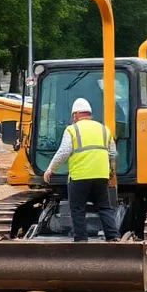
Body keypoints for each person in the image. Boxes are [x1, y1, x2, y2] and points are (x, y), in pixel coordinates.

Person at [43, 98, 120, 243]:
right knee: (104, 207)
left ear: (75, 115)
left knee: (77, 209)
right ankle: (113, 236)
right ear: (90, 114)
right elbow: (113, 153)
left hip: (79, 177)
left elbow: (64, 152)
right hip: (101, 176)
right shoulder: (103, 129)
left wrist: (50, 169)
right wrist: (112, 172)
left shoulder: (72, 129)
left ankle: (81, 240)